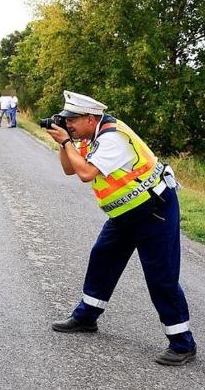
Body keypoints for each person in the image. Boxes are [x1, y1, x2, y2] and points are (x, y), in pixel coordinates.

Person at [46, 91, 196, 366]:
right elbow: (70, 169)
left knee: (161, 277)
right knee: (102, 258)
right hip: (126, 214)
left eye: (72, 121)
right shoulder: (87, 138)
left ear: (90, 119)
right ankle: (86, 317)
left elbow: (86, 174)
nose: (69, 126)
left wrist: (66, 140)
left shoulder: (113, 138)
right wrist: (63, 144)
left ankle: (182, 343)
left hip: (154, 211)